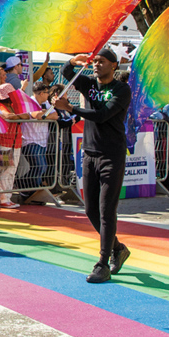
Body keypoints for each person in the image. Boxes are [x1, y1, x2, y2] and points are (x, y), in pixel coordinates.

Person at [53, 48, 131, 283]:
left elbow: (102, 115)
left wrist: (71, 108)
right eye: (95, 61)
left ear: (114, 66)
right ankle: (118, 248)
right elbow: (67, 72)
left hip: (111, 156)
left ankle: (103, 263)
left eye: (102, 61)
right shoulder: (89, 84)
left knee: (107, 211)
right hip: (89, 154)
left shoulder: (121, 90)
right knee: (90, 210)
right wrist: (73, 61)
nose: (96, 65)